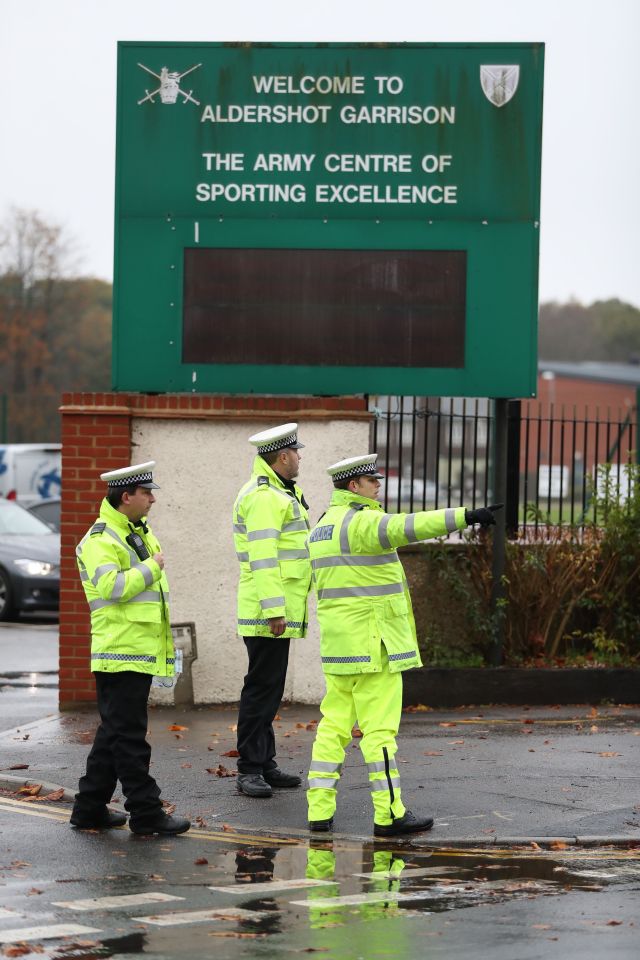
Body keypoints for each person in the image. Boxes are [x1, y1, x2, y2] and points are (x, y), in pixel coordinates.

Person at [306, 453, 501, 837]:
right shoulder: (362, 522)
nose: (377, 485)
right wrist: (466, 516)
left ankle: (319, 811)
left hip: (340, 647)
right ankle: (390, 814)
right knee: (379, 733)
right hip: (373, 645)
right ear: (352, 486)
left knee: (332, 730)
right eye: (370, 480)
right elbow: (409, 526)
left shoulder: (322, 528)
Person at [70, 461, 190, 836]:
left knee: (114, 734)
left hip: (136, 651)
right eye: (146, 492)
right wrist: (153, 567)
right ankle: (146, 812)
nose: (152, 498)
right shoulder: (101, 539)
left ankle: (88, 808)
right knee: (129, 738)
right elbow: (113, 588)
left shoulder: (136, 532)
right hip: (119, 653)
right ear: (127, 497)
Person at [233, 423, 312, 797]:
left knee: (269, 689)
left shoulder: (278, 492)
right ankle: (249, 769)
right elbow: (264, 559)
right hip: (268, 613)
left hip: (271, 611)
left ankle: (264, 763)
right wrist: (274, 610)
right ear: (283, 457)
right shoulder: (266, 497)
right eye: (296, 452)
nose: (299, 458)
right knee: (261, 690)